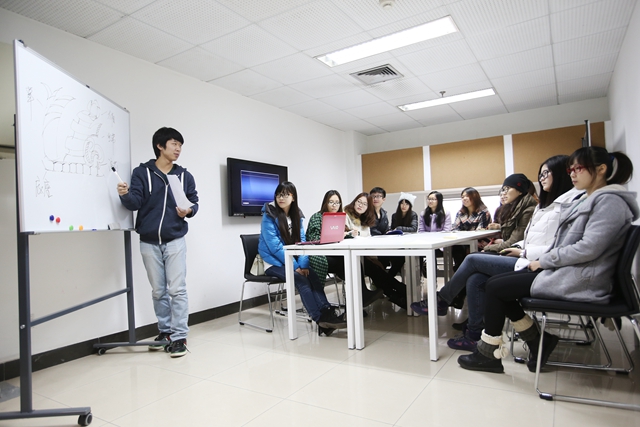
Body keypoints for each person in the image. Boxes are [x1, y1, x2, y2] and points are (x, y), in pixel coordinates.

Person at [458, 147, 638, 374]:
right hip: (570, 270)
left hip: (580, 278)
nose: (573, 174)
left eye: (578, 168)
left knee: (493, 285)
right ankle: (535, 341)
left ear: (601, 169)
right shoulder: (590, 199)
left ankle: (490, 353)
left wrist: (544, 261)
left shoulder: (609, 202)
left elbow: (588, 248)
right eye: (571, 169)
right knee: (492, 284)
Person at [412, 159, 577, 351]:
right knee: (475, 278)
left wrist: (516, 250)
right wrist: (516, 246)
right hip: (525, 257)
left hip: (536, 264)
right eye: (540, 174)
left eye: (546, 173)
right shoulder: (539, 207)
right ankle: (474, 332)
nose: (503, 193)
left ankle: (443, 300)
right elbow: (528, 238)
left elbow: (560, 245)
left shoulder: (545, 207)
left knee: (472, 259)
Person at [117, 127, 198, 358]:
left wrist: (188, 210)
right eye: (174, 144)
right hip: (149, 241)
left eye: (180, 145)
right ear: (160, 146)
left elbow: (194, 202)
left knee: (177, 290)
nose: (178, 149)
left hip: (175, 239)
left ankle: (180, 336)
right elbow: (135, 203)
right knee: (158, 291)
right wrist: (124, 194)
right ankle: (165, 332)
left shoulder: (184, 176)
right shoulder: (142, 173)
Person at [258, 182, 345, 337]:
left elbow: (303, 241)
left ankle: (327, 313)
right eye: (279, 194)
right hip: (273, 262)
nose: (281, 198)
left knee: (313, 276)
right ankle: (320, 319)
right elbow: (275, 248)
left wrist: (303, 265)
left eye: (286, 194)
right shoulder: (269, 216)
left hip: (293, 260)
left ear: (293, 197)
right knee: (301, 280)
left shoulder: (296, 215)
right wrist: (295, 267)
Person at [344, 192, 408, 309]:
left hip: (364, 255)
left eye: (364, 204)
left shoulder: (365, 220)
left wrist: (373, 258)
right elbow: (344, 236)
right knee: (376, 271)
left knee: (377, 270)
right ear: (354, 202)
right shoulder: (345, 215)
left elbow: (367, 240)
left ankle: (398, 295)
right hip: (350, 257)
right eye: (359, 202)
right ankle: (401, 292)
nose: (360, 205)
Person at [380, 192, 419, 278]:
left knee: (400, 259)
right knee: (384, 256)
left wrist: (399, 228)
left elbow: (414, 228)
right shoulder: (395, 215)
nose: (404, 206)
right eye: (402, 203)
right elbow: (393, 228)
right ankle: (384, 277)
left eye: (406, 204)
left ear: (410, 205)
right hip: (396, 243)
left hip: (408, 243)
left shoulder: (413, 214)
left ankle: (388, 278)